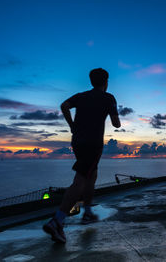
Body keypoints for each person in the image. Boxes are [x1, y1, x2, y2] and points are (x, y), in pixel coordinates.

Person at [43, 68, 121, 244]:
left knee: (91, 174)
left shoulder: (81, 96)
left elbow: (64, 106)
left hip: (77, 142)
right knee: (80, 179)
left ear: (91, 81)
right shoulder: (108, 98)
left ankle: (87, 212)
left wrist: (72, 125)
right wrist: (113, 114)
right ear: (106, 81)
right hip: (93, 144)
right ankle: (58, 220)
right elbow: (116, 124)